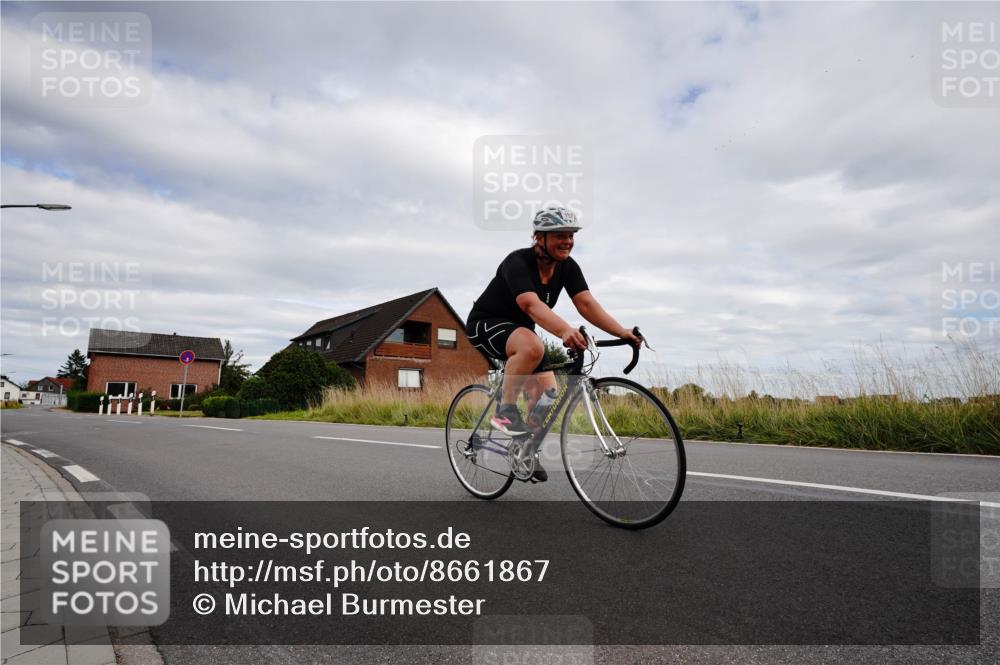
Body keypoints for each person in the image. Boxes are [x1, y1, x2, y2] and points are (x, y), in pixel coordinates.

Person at [466, 207, 643, 482]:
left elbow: (586, 303)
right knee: (533, 346)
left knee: (549, 392)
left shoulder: (568, 267)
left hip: (522, 331)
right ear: (539, 238)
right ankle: (505, 412)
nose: (568, 241)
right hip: (486, 323)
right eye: (560, 235)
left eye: (571, 235)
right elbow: (530, 304)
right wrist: (564, 330)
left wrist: (622, 331)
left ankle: (524, 449)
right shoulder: (517, 261)